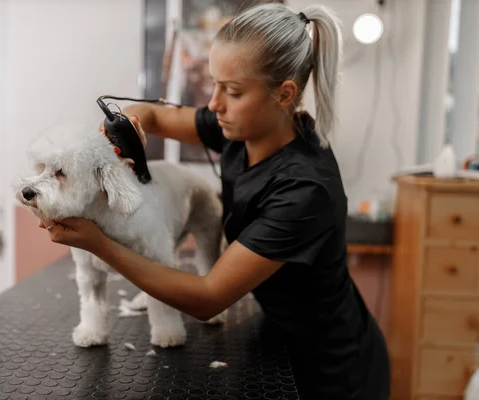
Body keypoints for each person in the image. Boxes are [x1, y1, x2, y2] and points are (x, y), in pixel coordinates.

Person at [39, 3, 390, 399]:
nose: (214, 104)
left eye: (233, 91)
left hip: (333, 367)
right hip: (277, 333)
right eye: (214, 84)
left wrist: (97, 242)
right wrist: (120, 135)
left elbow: (208, 297)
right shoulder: (243, 128)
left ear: (284, 94)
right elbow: (152, 117)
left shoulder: (304, 190)